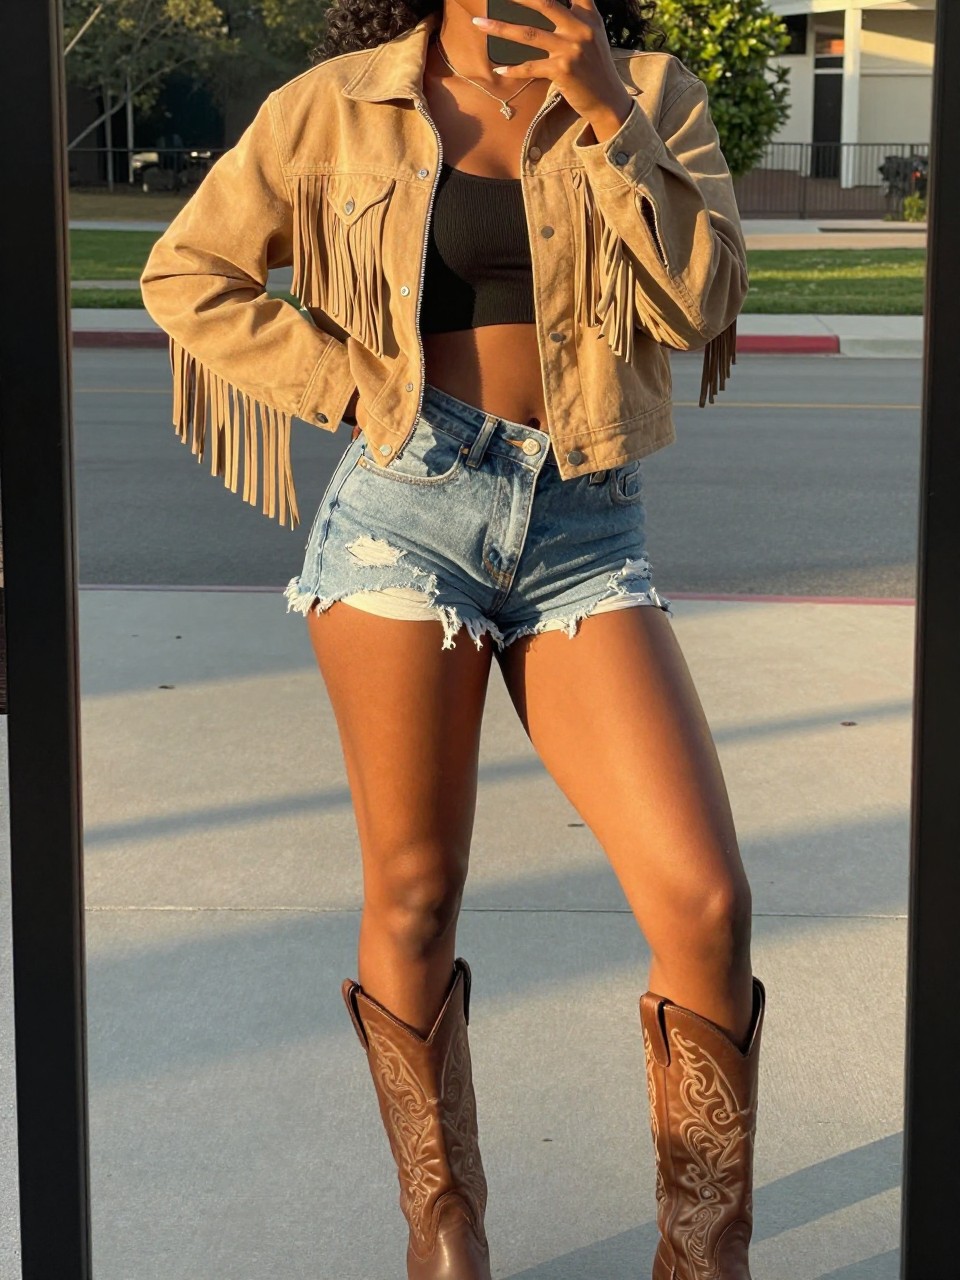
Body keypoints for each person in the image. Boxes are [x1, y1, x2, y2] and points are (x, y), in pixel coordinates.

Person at [139, 0, 765, 1274]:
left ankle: (704, 1255)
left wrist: (608, 112)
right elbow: (187, 273)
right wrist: (350, 387)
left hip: (586, 523)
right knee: (416, 890)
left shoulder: (653, 91)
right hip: (403, 513)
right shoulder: (338, 104)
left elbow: (703, 304)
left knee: (705, 899)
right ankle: (444, 1230)